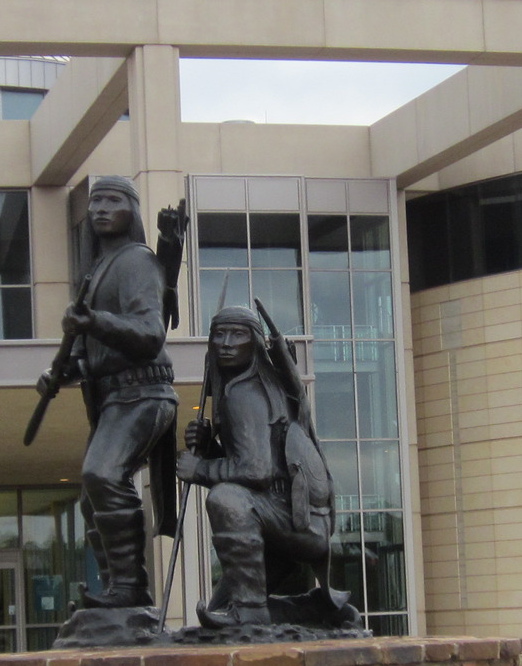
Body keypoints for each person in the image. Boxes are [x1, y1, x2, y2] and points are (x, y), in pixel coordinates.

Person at [55, 176, 176, 608]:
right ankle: (113, 591)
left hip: (143, 392)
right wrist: (64, 370)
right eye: (95, 201)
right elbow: (97, 353)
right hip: (112, 398)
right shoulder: (96, 273)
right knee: (92, 496)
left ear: (132, 210)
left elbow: (149, 334)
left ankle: (130, 589)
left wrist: (93, 324)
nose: (100, 208)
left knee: (104, 475)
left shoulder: (137, 262)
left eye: (112, 200)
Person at [177, 306, 334, 628]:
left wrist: (201, 469)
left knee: (227, 499)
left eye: (238, 334)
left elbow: (256, 472)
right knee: (215, 612)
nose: (226, 342)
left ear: (256, 343)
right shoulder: (260, 387)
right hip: (292, 516)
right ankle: (305, 610)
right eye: (219, 334)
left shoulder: (244, 393)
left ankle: (249, 611)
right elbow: (264, 464)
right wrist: (210, 448)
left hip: (293, 519)